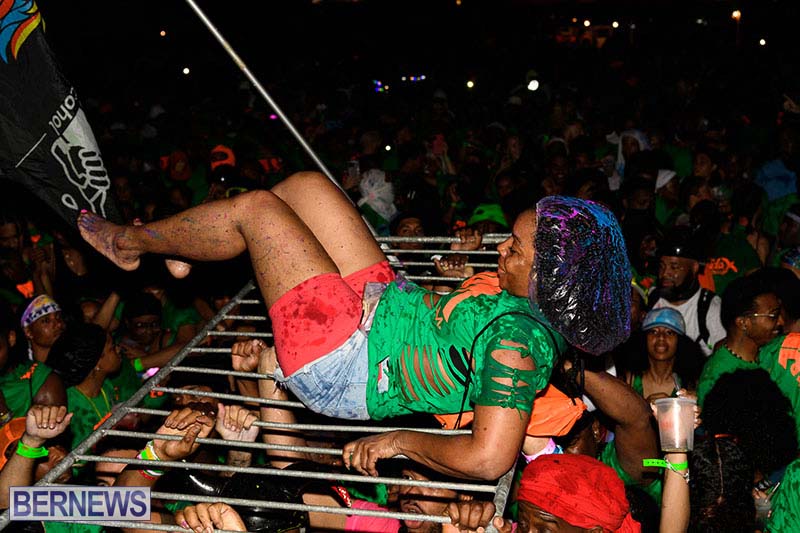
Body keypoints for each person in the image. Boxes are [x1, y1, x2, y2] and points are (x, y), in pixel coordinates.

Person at [77, 172, 631, 480]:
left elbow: (489, 459)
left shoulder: (518, 346)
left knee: (257, 211)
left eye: (516, 248)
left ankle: (129, 242)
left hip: (347, 362)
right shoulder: (518, 295)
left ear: (548, 276)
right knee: (305, 188)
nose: (501, 247)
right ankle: (183, 247)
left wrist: (397, 441)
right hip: (382, 309)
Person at [696, 272, 784, 406]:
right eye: (773, 316)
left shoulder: (768, 354)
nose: (781, 322)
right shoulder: (718, 377)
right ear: (743, 323)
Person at [651, 228, 726, 356]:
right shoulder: (651, 298)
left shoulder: (710, 308)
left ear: (694, 267)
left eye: (674, 267)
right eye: (662, 266)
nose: (665, 273)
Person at [623, 308, 703, 402]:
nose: (661, 337)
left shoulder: (692, 383)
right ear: (644, 339)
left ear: (680, 341)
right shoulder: (629, 380)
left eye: (669, 332)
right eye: (654, 331)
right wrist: (644, 407)